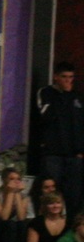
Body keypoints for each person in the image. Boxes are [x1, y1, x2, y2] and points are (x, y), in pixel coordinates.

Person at [32, 61, 84, 212]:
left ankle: (71, 223)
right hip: (53, 154)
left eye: (71, 77)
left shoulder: (77, 97)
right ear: (56, 77)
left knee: (74, 195)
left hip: (74, 155)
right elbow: (46, 116)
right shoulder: (46, 93)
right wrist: (63, 95)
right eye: (64, 77)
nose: (68, 81)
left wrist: (80, 151)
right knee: (51, 193)